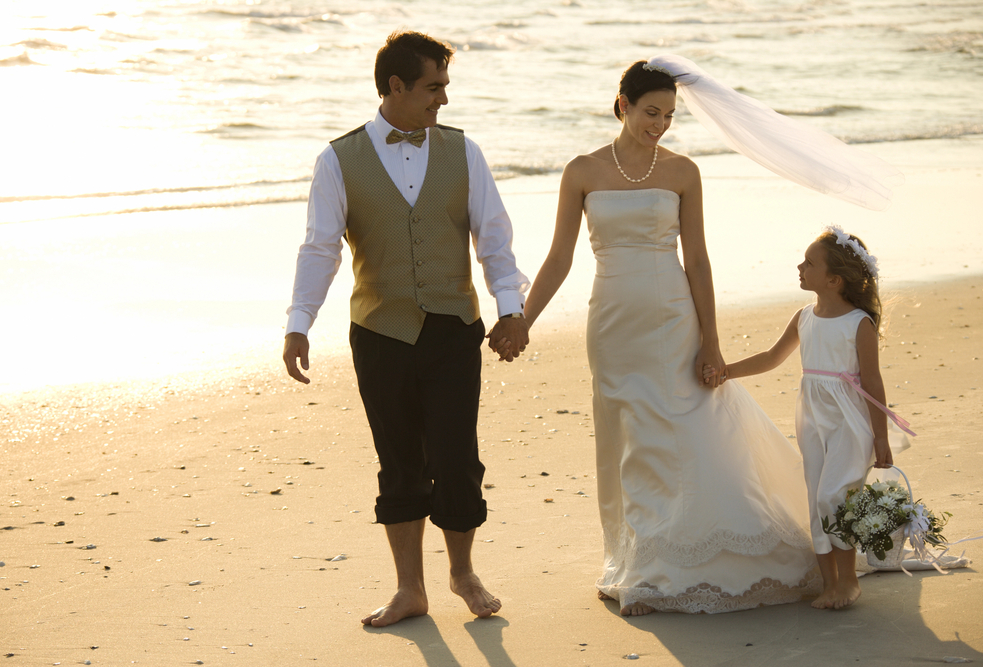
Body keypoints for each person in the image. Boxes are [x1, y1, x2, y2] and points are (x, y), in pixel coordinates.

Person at [509, 55, 901, 615]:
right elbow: (559, 258)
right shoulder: (582, 171)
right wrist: (525, 318)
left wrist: (712, 340)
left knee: (675, 431)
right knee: (623, 437)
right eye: (650, 112)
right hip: (613, 322)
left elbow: (697, 258)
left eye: (669, 115)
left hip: (674, 319)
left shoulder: (682, 172)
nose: (659, 125)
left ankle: (663, 569)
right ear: (622, 105)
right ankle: (635, 563)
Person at [283, 30, 530, 627]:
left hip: (453, 328)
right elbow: (320, 249)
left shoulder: (463, 152)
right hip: (380, 331)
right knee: (399, 460)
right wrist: (298, 324)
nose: (442, 99)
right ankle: (409, 590)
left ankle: (463, 573)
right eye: (433, 87)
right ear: (396, 86)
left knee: (457, 455)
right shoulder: (337, 159)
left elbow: (492, 235)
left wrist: (510, 308)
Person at [717, 227, 907, 609]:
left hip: (850, 421)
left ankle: (849, 579)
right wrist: (726, 371)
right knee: (815, 496)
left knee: (832, 495)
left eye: (809, 263)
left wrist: (881, 437)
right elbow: (772, 357)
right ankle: (829, 584)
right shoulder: (804, 317)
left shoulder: (858, 323)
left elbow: (872, 381)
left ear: (834, 280)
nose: (800, 267)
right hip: (812, 417)